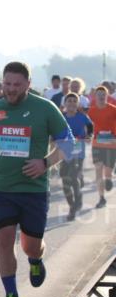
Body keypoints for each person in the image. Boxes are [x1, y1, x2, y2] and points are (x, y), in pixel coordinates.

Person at [0, 61, 74, 297]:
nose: (11, 90)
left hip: (33, 190)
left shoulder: (44, 108)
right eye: (7, 84)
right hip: (1, 188)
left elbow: (69, 144)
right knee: (3, 241)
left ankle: (35, 261)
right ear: (1, 83)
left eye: (16, 85)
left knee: (31, 246)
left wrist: (45, 162)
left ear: (28, 84)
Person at [60, 92, 93, 220]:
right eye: (69, 101)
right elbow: (53, 129)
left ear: (78, 104)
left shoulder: (82, 116)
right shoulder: (61, 116)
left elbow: (90, 127)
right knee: (64, 180)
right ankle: (72, 202)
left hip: (78, 151)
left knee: (73, 177)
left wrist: (89, 136)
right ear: (65, 104)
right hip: (63, 151)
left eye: (75, 101)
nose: (72, 103)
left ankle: (73, 207)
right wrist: (52, 137)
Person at [87, 85, 116, 208]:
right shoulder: (91, 111)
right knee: (98, 169)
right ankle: (101, 198)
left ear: (107, 96)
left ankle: (109, 179)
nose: (101, 96)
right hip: (97, 144)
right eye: (99, 94)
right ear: (95, 96)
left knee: (107, 172)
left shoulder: (113, 109)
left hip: (111, 144)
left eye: (103, 94)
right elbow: (87, 125)